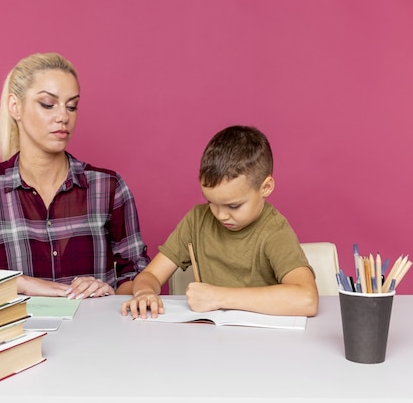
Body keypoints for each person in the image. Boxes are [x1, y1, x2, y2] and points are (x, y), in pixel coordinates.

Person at [0, 52, 150, 299]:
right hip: (16, 335)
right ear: (15, 106)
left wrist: (109, 291)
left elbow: (138, 279)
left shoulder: (108, 187)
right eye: (47, 104)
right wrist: (18, 283)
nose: (63, 116)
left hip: (99, 334)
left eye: (72, 106)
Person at [121, 125, 318, 318]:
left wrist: (219, 297)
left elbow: (307, 299)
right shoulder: (197, 220)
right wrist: (144, 292)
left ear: (265, 187)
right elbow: (151, 275)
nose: (220, 215)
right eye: (211, 202)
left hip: (261, 342)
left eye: (233, 206)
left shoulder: (274, 231)